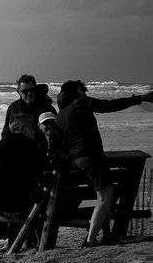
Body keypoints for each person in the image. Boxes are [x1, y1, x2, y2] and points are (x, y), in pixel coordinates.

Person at [55, 80, 153, 246]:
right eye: (83, 90)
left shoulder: (61, 114)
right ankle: (90, 240)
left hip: (76, 161)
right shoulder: (80, 102)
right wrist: (140, 98)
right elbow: (108, 105)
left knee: (103, 196)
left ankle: (107, 235)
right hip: (91, 156)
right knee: (106, 196)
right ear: (78, 91)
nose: (85, 93)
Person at [0, 132, 44, 252]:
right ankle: (24, 244)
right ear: (23, 128)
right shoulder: (32, 146)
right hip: (25, 203)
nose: (35, 131)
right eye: (32, 128)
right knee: (32, 210)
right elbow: (43, 169)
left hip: (0, 202)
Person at [1, 74, 55, 142]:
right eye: (25, 91)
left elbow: (57, 131)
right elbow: (6, 134)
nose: (29, 93)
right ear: (19, 92)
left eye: (32, 90)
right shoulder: (14, 108)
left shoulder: (46, 108)